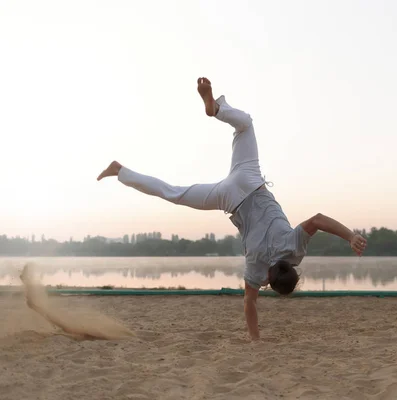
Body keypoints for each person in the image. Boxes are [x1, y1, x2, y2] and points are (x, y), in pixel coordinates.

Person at [97, 77, 368, 340]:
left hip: (250, 180)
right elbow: (249, 304)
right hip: (229, 199)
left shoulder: (295, 246)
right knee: (174, 194)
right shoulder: (256, 267)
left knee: (246, 125)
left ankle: (216, 109)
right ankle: (120, 171)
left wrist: (350, 236)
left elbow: (319, 219)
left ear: (294, 272)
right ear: (271, 281)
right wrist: (255, 340)